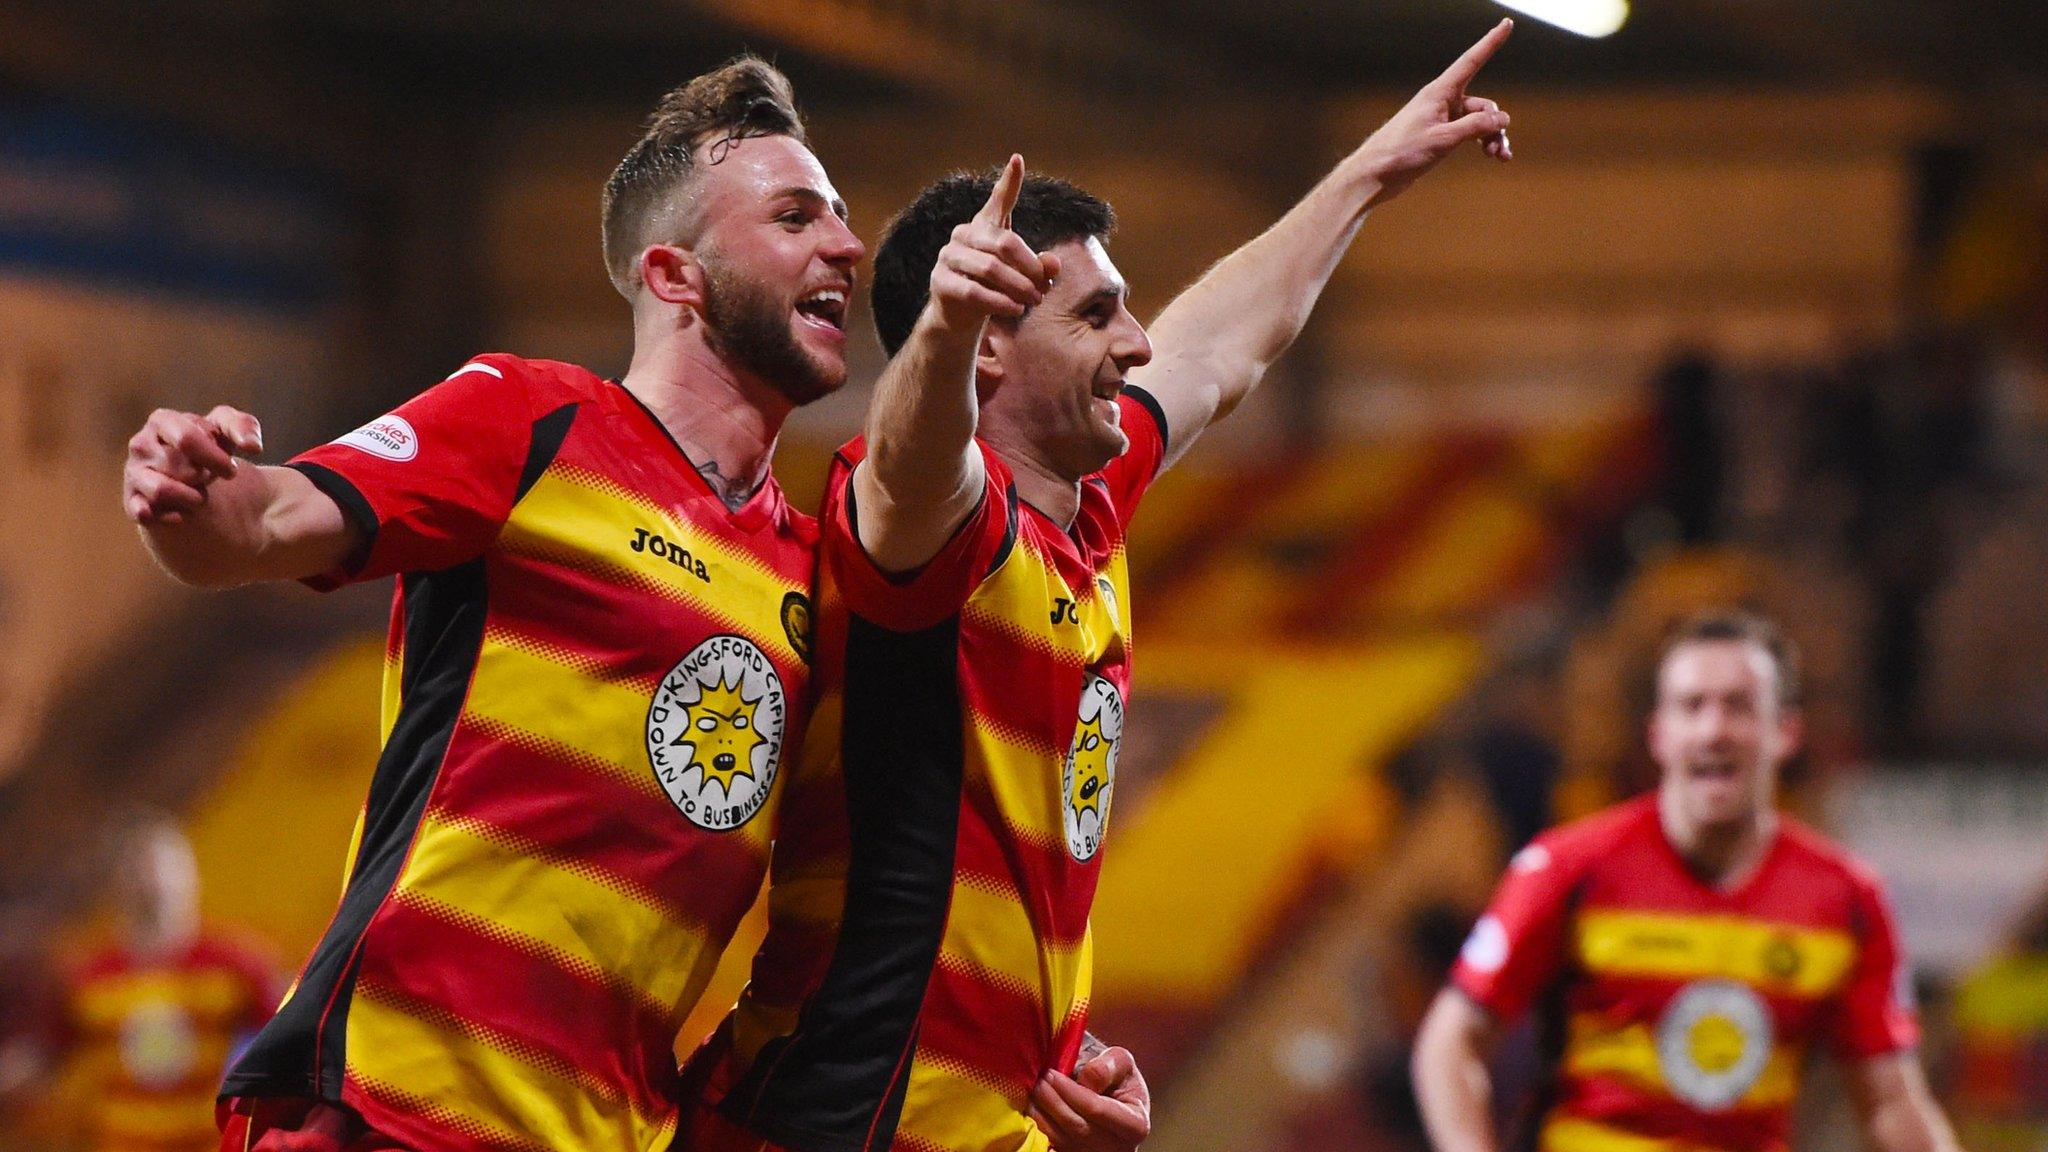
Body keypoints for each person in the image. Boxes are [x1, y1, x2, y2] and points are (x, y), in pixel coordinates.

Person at [683, 22, 1517, 1152]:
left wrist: (1371, 169)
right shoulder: (933, 532)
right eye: (1093, 315)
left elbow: (1223, 349)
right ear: (986, 349)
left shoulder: (1090, 504)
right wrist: (938, 329)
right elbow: (912, 459)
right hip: (845, 1123)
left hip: (1000, 1122)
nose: (1132, 343)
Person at [120, 57, 862, 1151]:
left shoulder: (813, 570)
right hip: (397, 1113)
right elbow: (263, 523)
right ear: (675, 275)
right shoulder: (533, 419)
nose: (844, 245)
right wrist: (189, 492)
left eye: (843, 219)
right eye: (795, 216)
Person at [1411, 610, 1964, 1152]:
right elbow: (1449, 1046)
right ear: (1659, 734)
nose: (1714, 729)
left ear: (1785, 732)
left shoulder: (1846, 900)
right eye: (1691, 706)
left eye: (1739, 707)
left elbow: (1892, 1103)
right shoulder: (1567, 869)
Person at [55, 816, 282, 1152]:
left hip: (211, 1142)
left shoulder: (237, 963)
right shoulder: (88, 978)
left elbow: (287, 1050)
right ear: (117, 885)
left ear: (192, 877)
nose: (154, 884)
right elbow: (57, 1061)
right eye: (139, 873)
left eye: (166, 871)